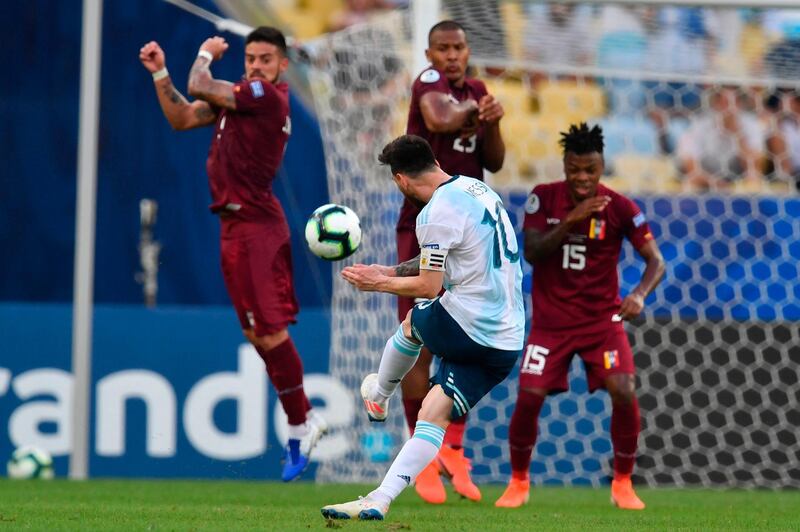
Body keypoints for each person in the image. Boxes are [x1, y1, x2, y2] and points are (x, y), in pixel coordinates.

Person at [138, 27, 325, 482]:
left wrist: (204, 52)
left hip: (258, 227)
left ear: (282, 66)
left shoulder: (266, 95)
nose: (255, 65)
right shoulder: (239, 102)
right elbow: (182, 117)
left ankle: (303, 421)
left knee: (272, 333)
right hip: (233, 227)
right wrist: (161, 72)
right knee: (257, 335)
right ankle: (301, 420)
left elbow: (202, 84)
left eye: (265, 58)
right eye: (250, 58)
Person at [320, 135, 524, 521]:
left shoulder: (431, 213)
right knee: (433, 415)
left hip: (471, 323)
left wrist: (376, 283)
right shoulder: (475, 188)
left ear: (400, 180)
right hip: (506, 341)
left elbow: (429, 286)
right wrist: (389, 270)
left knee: (414, 321)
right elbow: (443, 253)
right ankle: (380, 499)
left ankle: (378, 396)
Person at [495, 123, 665, 511]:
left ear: (602, 166)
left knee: (623, 389)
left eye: (590, 170)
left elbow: (656, 261)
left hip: (601, 323)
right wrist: (572, 219)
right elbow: (533, 253)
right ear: (565, 166)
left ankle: (623, 482)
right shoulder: (543, 199)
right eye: (575, 169)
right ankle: (519, 481)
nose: (583, 178)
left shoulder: (621, 207)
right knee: (529, 395)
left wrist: (639, 294)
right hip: (551, 324)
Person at [398, 19, 505, 504]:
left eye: (458, 48)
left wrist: (494, 120)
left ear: (467, 51)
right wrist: (475, 111)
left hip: (470, 231)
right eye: (442, 49)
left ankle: (453, 449)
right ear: (430, 53)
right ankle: (417, 451)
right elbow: (440, 119)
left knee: (469, 333)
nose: (451, 57)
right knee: (420, 334)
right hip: (424, 225)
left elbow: (496, 162)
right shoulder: (429, 84)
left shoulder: (478, 91)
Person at [677, 86, 766, 191]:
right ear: (715, 104)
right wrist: (714, 183)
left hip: (737, 183)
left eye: (734, 103)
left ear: (740, 104)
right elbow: (690, 166)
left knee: (754, 180)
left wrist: (738, 135)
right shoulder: (700, 125)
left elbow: (755, 168)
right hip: (705, 183)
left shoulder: (751, 124)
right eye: (725, 103)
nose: (729, 108)